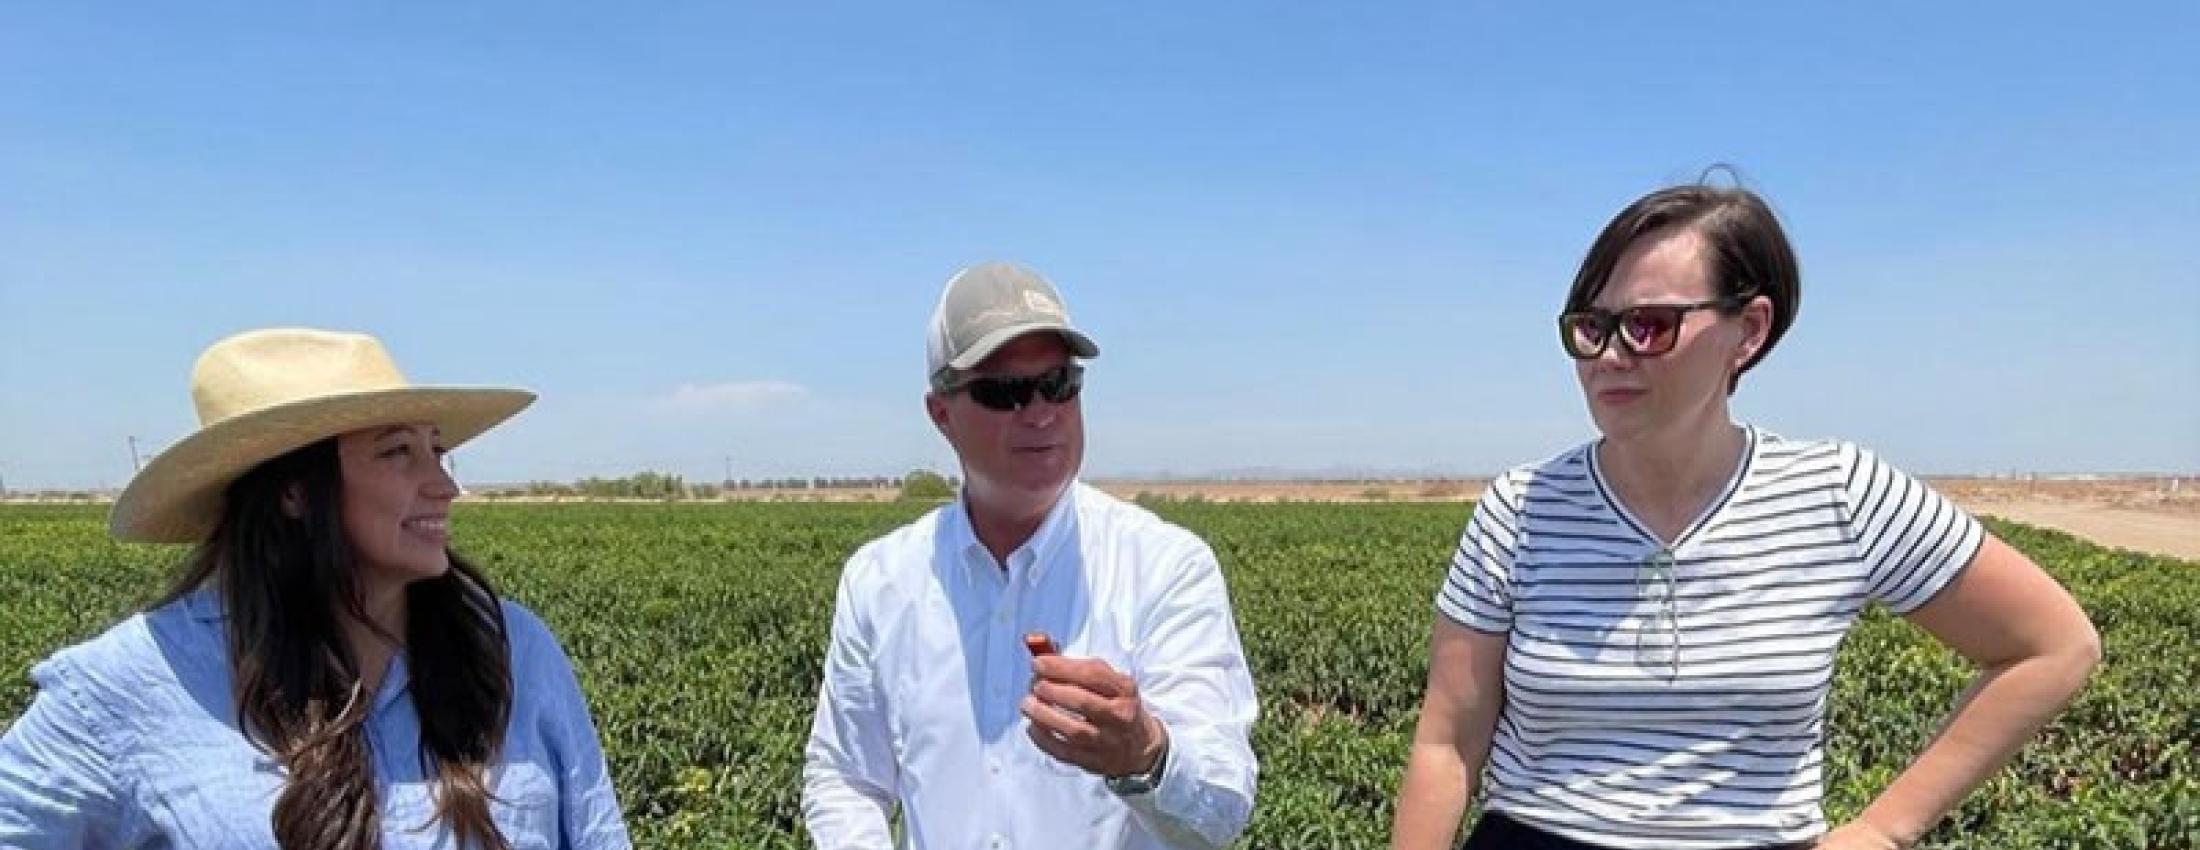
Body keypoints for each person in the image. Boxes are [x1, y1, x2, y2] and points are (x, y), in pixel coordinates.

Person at [1390, 182, 2102, 850]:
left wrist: (1885, 829)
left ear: (1749, 330)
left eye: (1649, 325)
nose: (1610, 355)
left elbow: (2052, 646)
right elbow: (1447, 742)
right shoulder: (1521, 508)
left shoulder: (1839, 493)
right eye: (1592, 327)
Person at [0, 328, 631, 850]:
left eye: (436, 449)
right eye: (397, 453)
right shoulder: (135, 682)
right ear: (295, 492)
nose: (444, 485)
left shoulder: (510, 647)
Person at [802, 261, 1259, 849]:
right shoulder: (881, 581)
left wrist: (1146, 754)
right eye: (1005, 393)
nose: (1041, 412)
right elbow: (845, 779)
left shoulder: (1165, 569)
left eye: (1058, 384)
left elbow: (1222, 811)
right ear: (941, 414)